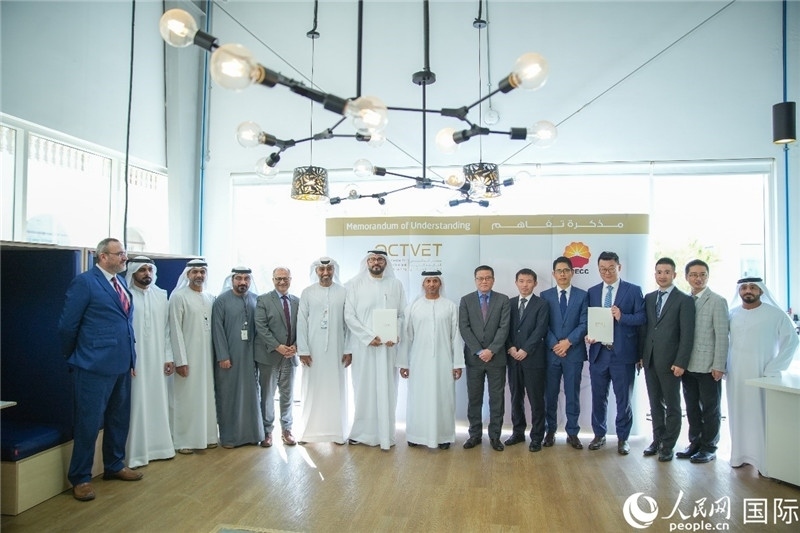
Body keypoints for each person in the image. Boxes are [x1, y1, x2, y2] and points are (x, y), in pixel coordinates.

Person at [58, 237, 142, 502]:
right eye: (120, 254)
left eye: (124, 254)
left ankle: (114, 465)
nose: (124, 258)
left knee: (119, 418)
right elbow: (67, 326)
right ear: (103, 256)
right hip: (92, 365)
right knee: (89, 423)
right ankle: (81, 477)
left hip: (122, 364)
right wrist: (75, 356)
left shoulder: (121, 283)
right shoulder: (85, 282)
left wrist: (131, 360)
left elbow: (125, 324)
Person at [726, 277, 798, 476]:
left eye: (752, 287)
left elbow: (791, 341)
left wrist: (774, 368)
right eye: (744, 288)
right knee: (737, 412)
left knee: (761, 415)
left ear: (761, 291)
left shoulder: (775, 314)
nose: (748, 291)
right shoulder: (732, 314)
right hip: (736, 374)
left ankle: (764, 461)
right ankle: (739, 456)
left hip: (762, 374)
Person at [344, 250, 407, 450]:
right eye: (372, 259)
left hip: (387, 348)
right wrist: (368, 336)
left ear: (385, 262)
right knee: (363, 389)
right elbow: (349, 316)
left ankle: (385, 435)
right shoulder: (353, 284)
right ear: (367, 262)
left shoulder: (396, 285)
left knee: (388, 389)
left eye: (380, 259)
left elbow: (402, 314)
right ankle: (361, 433)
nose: (376, 262)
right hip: (364, 347)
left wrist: (395, 333)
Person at [585, 251, 646, 455]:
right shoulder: (593, 291)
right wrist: (589, 335)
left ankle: (623, 438)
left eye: (611, 268)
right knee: (598, 398)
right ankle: (599, 435)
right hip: (599, 353)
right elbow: (589, 320)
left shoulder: (633, 290)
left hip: (623, 355)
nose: (607, 272)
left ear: (619, 267)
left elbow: (642, 319)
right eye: (602, 269)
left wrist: (622, 316)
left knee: (623, 400)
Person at [398, 270, 464, 450]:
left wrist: (457, 364)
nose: (432, 284)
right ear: (423, 284)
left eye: (435, 281)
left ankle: (443, 437)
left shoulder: (450, 306)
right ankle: (416, 435)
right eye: (428, 281)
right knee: (418, 398)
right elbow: (407, 338)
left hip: (444, 362)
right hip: (419, 363)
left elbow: (455, 337)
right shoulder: (413, 307)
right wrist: (404, 363)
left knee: (443, 398)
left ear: (440, 283)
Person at [640, 258, 695, 462]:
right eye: (659, 272)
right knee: (655, 404)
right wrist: (641, 356)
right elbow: (645, 329)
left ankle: (668, 445)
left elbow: (687, 334)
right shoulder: (649, 298)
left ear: (674, 274)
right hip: (650, 360)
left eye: (666, 272)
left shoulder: (684, 300)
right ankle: (657, 440)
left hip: (671, 362)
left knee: (672, 405)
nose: (662, 275)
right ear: (655, 274)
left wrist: (681, 362)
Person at [124, 256, 175, 468]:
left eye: (149, 270)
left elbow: (167, 329)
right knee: (137, 402)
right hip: (135, 360)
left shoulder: (161, 295)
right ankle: (136, 453)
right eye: (142, 269)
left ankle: (161, 448)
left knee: (158, 399)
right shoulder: (125, 295)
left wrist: (168, 356)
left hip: (157, 359)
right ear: (133, 272)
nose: (147, 273)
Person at [296, 257, 351, 444]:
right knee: (312, 388)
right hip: (313, 351)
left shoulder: (343, 292)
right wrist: (303, 349)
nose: (325, 273)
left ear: (334, 270)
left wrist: (348, 349)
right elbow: (301, 321)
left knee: (335, 389)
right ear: (316, 271)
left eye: (329, 269)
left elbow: (348, 324)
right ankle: (309, 432)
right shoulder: (307, 292)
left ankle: (336, 433)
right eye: (321, 269)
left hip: (337, 349)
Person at [678, 259, 728, 464]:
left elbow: (722, 336)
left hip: (708, 366)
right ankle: (695, 443)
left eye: (702, 275)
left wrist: (719, 365)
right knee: (691, 407)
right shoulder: (684, 299)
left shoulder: (717, 301)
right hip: (687, 364)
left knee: (710, 408)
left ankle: (709, 447)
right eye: (693, 275)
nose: (698, 278)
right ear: (686, 277)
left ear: (708, 276)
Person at [169, 258, 218, 454]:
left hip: (208, 358)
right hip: (188, 357)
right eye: (195, 272)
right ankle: (184, 440)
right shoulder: (178, 297)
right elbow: (175, 330)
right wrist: (181, 360)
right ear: (187, 274)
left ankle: (208, 436)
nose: (199, 275)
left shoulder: (210, 297)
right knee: (187, 398)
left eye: (202, 272)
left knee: (207, 397)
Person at [211, 267, 264, 448]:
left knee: (251, 396)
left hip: (250, 357)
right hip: (229, 358)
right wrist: (223, 355)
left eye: (246, 279)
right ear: (232, 280)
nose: (242, 282)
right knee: (229, 396)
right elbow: (217, 329)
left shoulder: (255, 299)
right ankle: (230, 437)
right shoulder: (221, 301)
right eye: (239, 278)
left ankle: (252, 435)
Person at [459, 265, 510, 452]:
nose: (484, 281)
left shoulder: (503, 300)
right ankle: (474, 435)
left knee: (496, 399)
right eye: (480, 278)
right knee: (474, 398)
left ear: (493, 280)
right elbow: (464, 328)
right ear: (475, 280)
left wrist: (492, 350)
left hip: (496, 358)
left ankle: (495, 436)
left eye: (488, 278)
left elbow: (504, 327)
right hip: (474, 358)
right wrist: (479, 350)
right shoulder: (466, 300)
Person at [540, 256, 589, 450]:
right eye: (559, 271)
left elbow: (584, 323)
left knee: (572, 395)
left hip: (573, 353)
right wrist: (555, 344)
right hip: (551, 354)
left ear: (572, 273)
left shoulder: (582, 295)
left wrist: (568, 342)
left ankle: (573, 432)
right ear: (553, 274)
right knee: (550, 395)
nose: (562, 274)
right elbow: (542, 324)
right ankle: (550, 431)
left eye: (566, 270)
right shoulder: (545, 295)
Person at [504, 268, 550, 452]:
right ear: (516, 283)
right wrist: (510, 347)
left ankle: (537, 436)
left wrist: (525, 350)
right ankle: (518, 432)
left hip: (533, 359)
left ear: (535, 283)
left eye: (529, 281)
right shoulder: (509, 303)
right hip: (513, 359)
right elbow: (504, 328)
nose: (525, 285)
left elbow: (540, 329)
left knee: (536, 399)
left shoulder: (542, 304)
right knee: (516, 398)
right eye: (521, 281)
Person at [254, 267, 299, 447]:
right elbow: (261, 327)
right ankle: (267, 431)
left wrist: (296, 346)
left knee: (287, 395)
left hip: (290, 357)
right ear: (273, 280)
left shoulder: (297, 301)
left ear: (290, 279)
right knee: (267, 396)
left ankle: (287, 430)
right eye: (278, 278)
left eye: (285, 278)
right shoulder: (263, 300)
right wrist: (277, 347)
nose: (282, 282)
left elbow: (302, 326)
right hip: (269, 357)